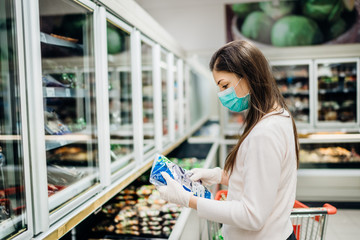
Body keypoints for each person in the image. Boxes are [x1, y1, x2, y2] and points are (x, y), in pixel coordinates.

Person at [158, 40, 299, 240]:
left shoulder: (265, 133)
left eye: (225, 85)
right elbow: (265, 181)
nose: (223, 95)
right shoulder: (279, 116)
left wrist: (188, 200)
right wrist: (220, 176)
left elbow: (252, 216)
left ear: (248, 76)